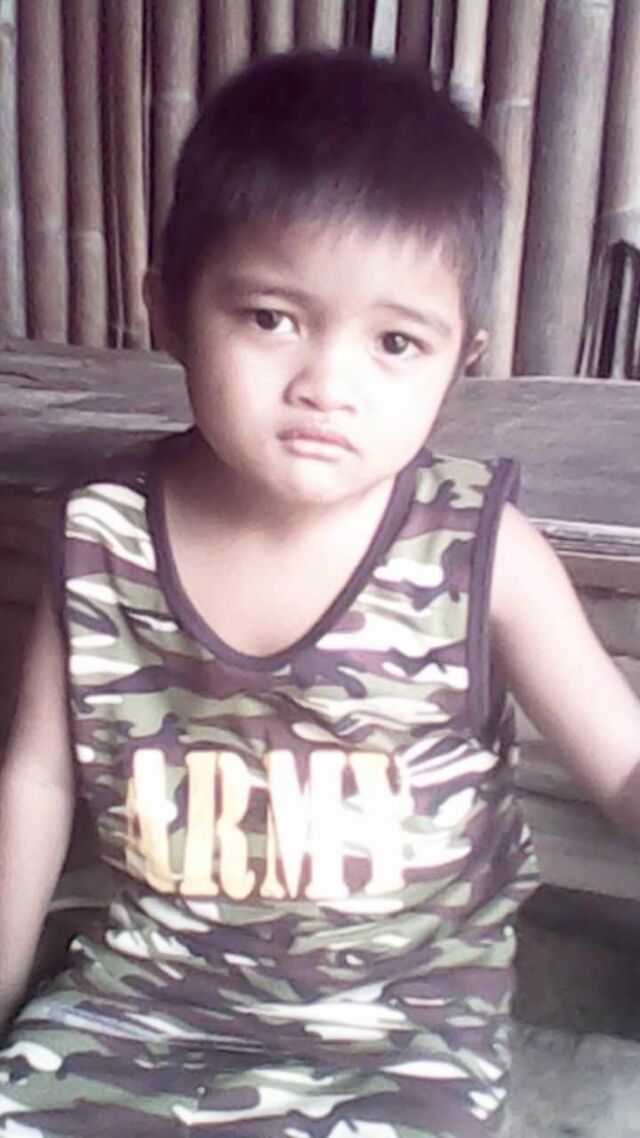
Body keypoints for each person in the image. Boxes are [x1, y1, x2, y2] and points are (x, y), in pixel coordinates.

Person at [1, 48, 639, 1138]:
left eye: (395, 341)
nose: (328, 385)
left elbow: (624, 766)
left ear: (459, 356)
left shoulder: (476, 549)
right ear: (169, 307)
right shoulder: (101, 536)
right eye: (271, 318)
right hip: (139, 1008)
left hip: (400, 1039)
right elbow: (36, 780)